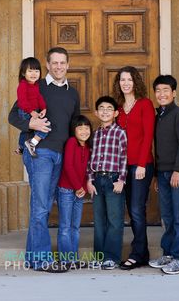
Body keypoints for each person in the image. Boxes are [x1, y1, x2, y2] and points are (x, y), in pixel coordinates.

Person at [8, 47, 80, 272]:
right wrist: (32, 124)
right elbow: (13, 116)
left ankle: (33, 258)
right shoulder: (35, 85)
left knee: (44, 206)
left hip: (60, 154)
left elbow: (73, 127)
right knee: (41, 207)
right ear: (47, 65)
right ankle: (42, 260)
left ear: (68, 65)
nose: (58, 67)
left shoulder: (72, 93)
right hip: (39, 153)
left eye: (62, 63)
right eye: (54, 63)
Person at [149, 75, 179, 275]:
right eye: (158, 90)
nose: (162, 94)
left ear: (174, 93)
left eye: (166, 90)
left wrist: (177, 170)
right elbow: (159, 147)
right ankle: (168, 254)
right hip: (164, 173)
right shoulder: (159, 116)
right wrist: (158, 175)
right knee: (167, 216)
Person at [112, 66, 155, 270]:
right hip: (122, 167)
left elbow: (148, 136)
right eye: (122, 80)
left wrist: (141, 164)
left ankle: (137, 254)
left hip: (141, 165)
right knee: (131, 209)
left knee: (137, 210)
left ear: (135, 81)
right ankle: (143, 253)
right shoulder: (118, 107)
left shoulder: (145, 104)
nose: (126, 83)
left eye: (129, 79)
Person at [87, 96, 127, 270]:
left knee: (114, 219)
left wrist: (122, 180)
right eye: (101, 108)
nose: (105, 111)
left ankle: (111, 257)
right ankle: (99, 255)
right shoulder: (94, 134)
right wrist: (89, 179)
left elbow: (124, 157)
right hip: (97, 179)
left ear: (116, 113)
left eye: (109, 108)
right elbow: (90, 158)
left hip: (113, 180)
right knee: (99, 219)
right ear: (96, 112)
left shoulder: (120, 132)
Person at [57, 115, 92, 268]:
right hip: (67, 189)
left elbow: (87, 170)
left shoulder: (88, 147)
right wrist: (78, 187)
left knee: (75, 227)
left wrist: (83, 188)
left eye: (86, 128)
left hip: (79, 191)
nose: (84, 131)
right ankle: (65, 260)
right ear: (74, 130)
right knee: (65, 226)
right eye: (80, 128)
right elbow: (68, 167)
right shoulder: (72, 142)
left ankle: (74, 258)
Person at [15, 57, 49, 157]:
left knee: (26, 130)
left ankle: (21, 147)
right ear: (23, 73)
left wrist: (43, 108)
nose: (34, 74)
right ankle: (32, 143)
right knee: (46, 126)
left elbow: (39, 97)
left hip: (31, 111)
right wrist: (31, 112)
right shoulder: (23, 85)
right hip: (25, 111)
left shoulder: (35, 85)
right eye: (30, 71)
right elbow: (22, 101)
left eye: (36, 71)